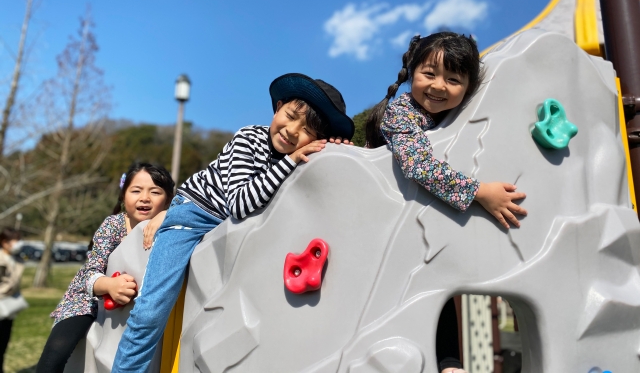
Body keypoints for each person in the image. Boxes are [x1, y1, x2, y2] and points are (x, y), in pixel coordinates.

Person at [113, 73, 354, 372]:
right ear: (277, 107)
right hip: (194, 216)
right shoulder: (249, 139)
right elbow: (239, 204)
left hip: (237, 231)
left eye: (306, 131)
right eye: (290, 116)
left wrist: (333, 151)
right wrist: (291, 162)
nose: (292, 131)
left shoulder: (300, 158)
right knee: (151, 310)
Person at [366, 32, 528, 373]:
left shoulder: (456, 121)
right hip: (387, 222)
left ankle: (451, 363)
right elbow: (416, 164)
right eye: (429, 74)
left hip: (423, 222)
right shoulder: (402, 114)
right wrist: (479, 191)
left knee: (438, 282)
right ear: (412, 73)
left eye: (453, 79)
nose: (439, 86)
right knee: (419, 286)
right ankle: (448, 362)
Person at [36, 163, 174, 373]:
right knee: (54, 356)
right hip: (87, 300)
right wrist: (109, 284)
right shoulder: (114, 225)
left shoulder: (169, 225)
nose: (145, 198)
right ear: (123, 196)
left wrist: (168, 215)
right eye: (136, 190)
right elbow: (90, 272)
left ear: (167, 200)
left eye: (155, 192)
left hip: (144, 305)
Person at [0, 228, 24, 373]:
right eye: (15, 240)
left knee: (3, 344)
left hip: (7, 307)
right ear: (5, 242)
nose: (18, 243)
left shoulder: (16, 259)